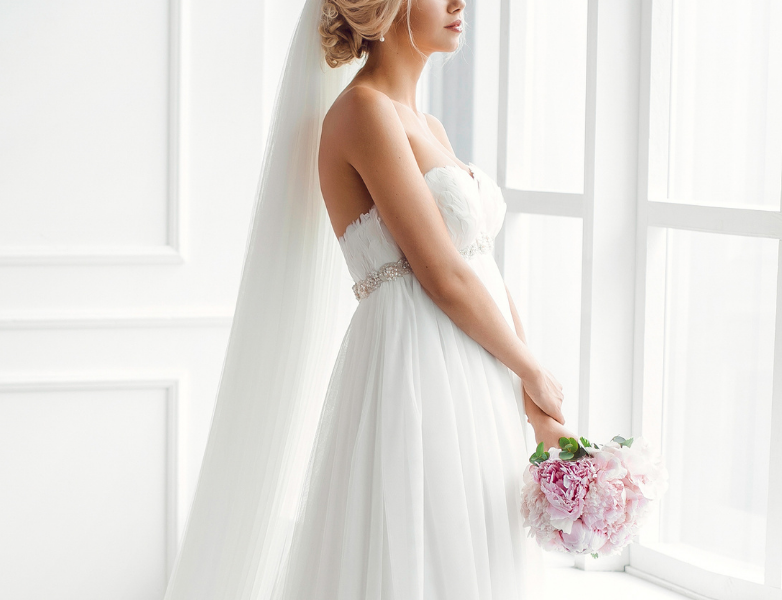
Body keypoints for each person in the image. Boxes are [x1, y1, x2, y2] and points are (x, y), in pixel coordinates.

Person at [163, 0, 570, 598]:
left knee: (481, 556)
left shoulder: (429, 126)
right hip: (419, 368)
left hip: (479, 369)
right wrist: (532, 369)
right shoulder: (362, 112)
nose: (461, 4)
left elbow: (481, 266)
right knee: (423, 558)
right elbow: (440, 273)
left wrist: (533, 394)